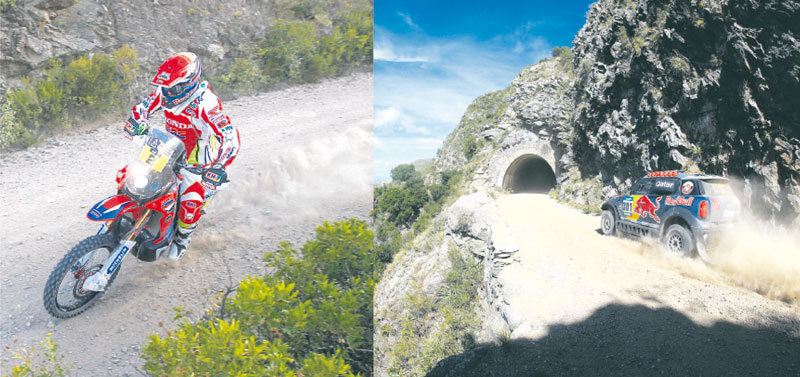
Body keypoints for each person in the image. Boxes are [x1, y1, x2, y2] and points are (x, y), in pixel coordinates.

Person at [122, 52, 240, 260]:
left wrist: (218, 166)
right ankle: (129, 212)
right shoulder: (164, 91)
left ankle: (182, 238)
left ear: (189, 83)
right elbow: (143, 107)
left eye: (174, 88)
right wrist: (137, 122)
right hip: (169, 147)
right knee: (132, 176)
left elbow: (230, 137)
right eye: (167, 87)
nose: (168, 91)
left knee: (190, 200)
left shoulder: (206, 103)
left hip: (198, 159)